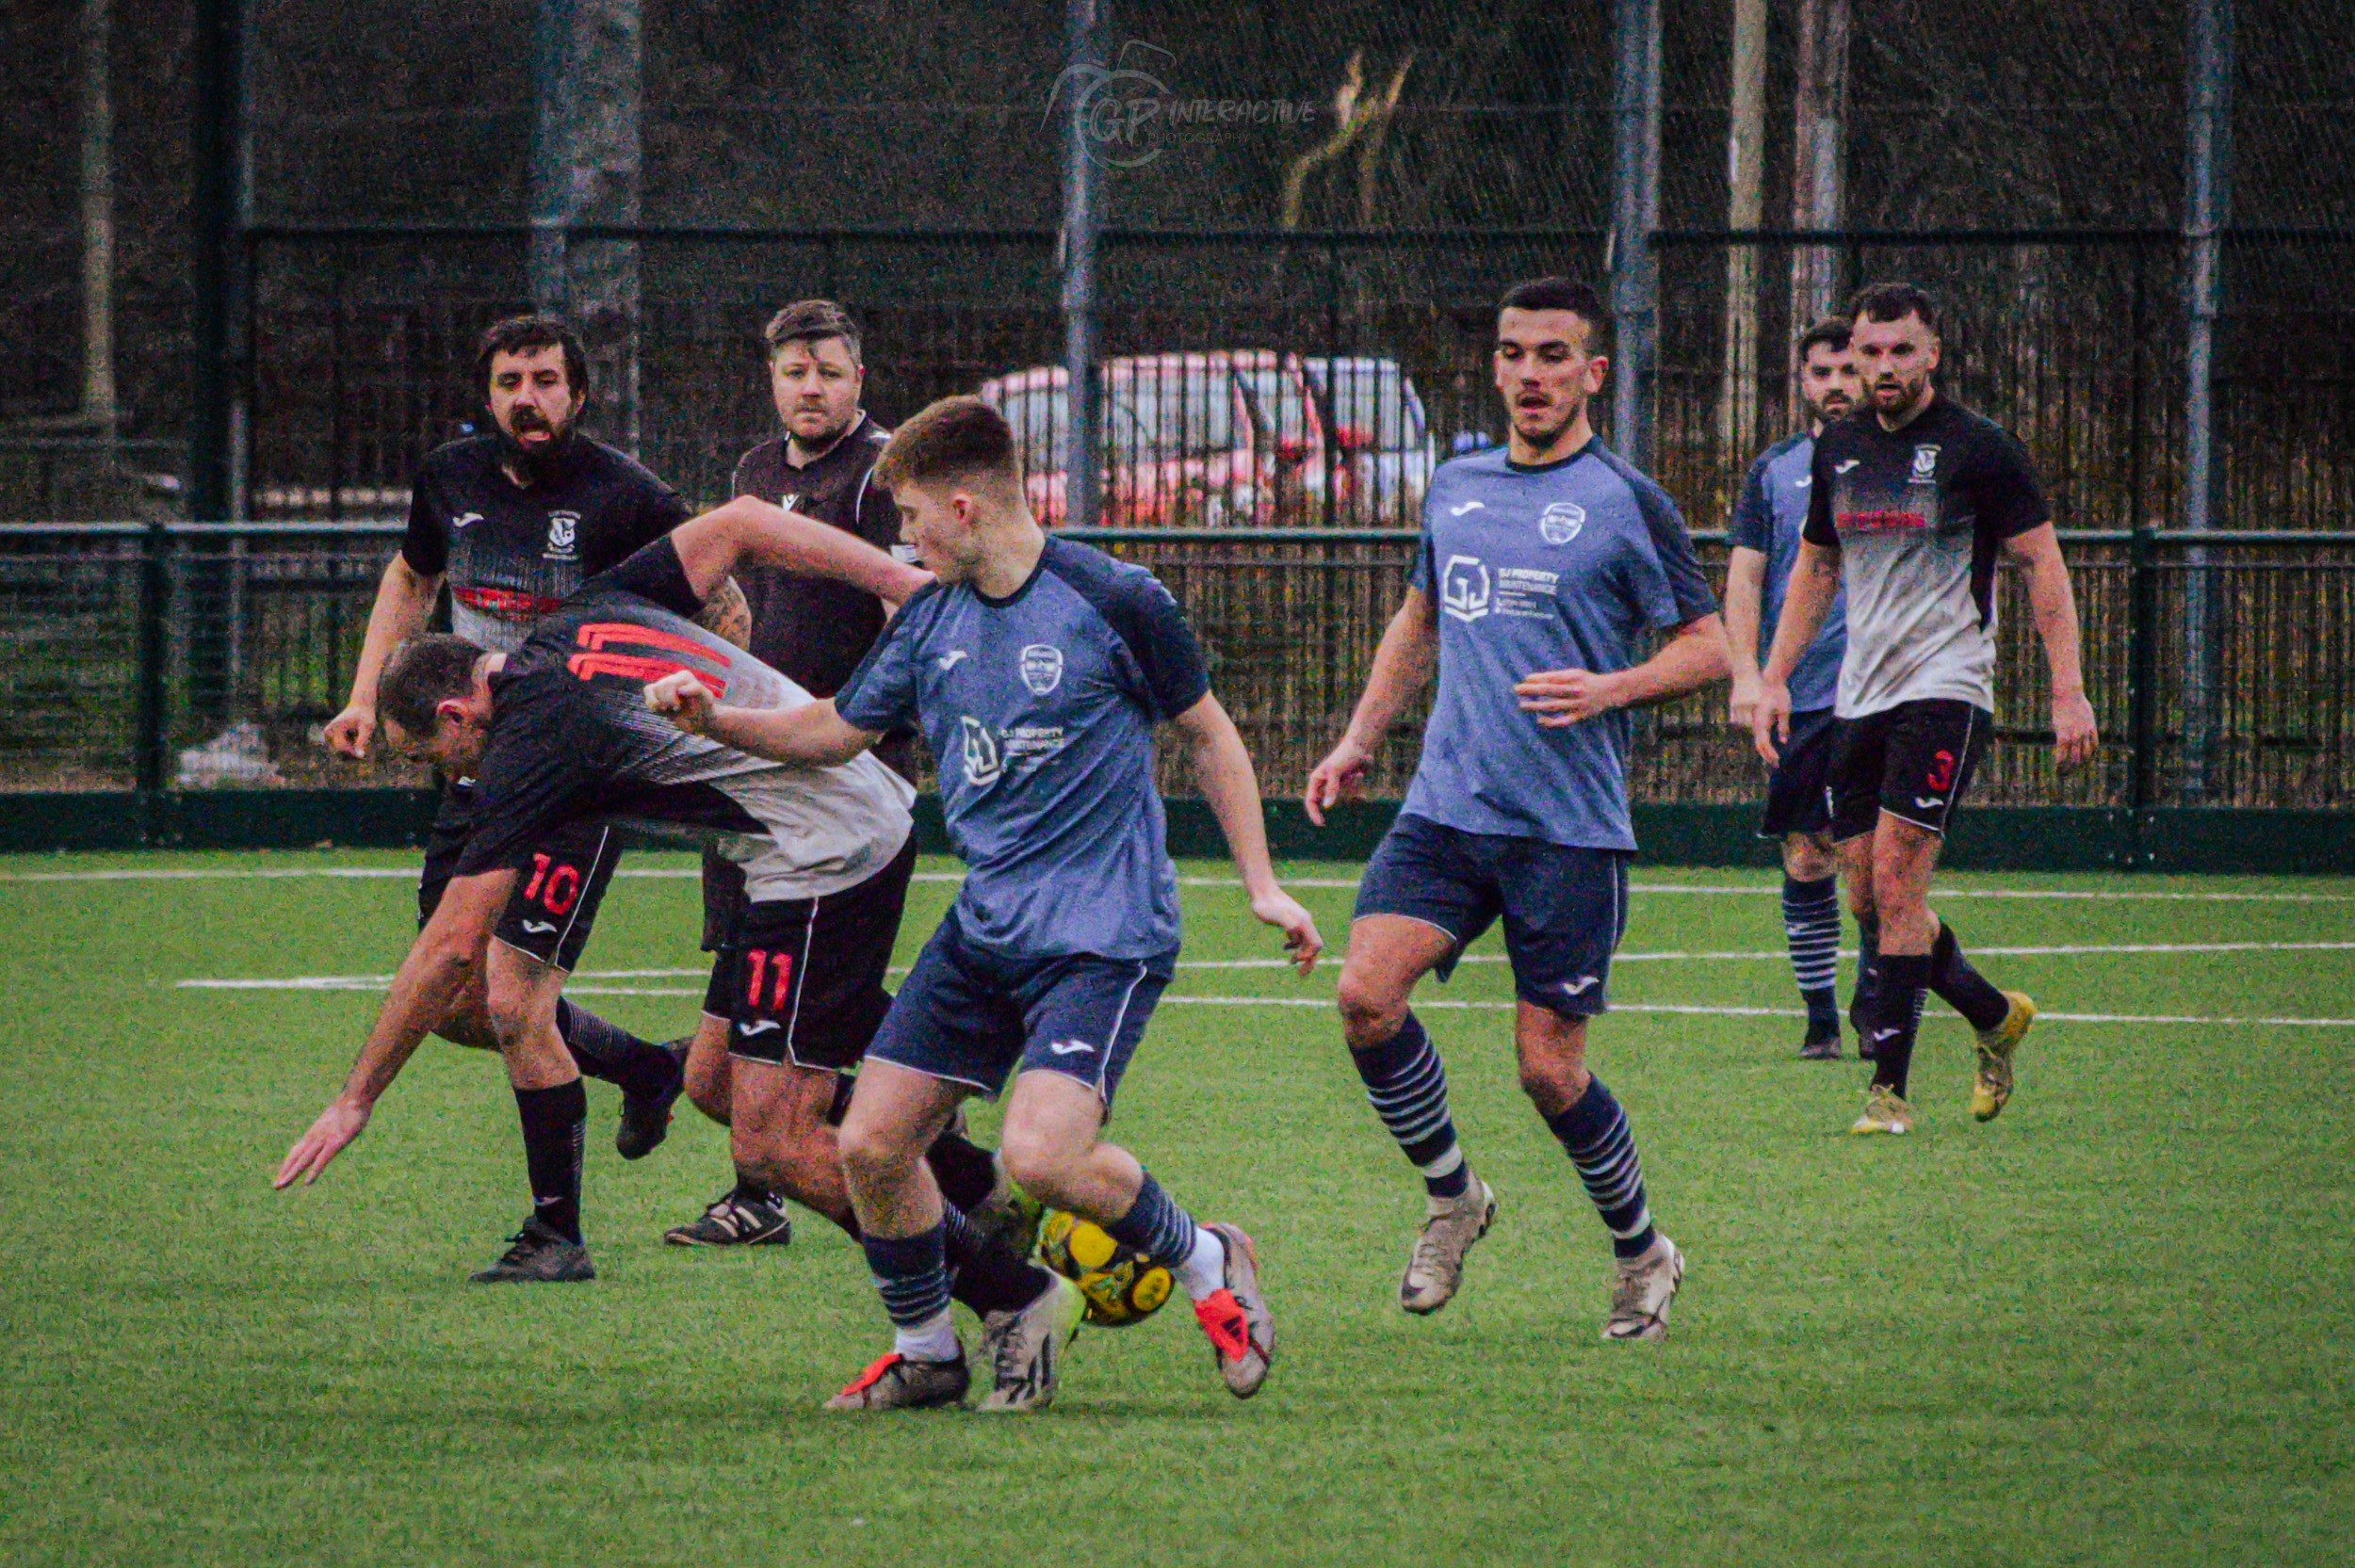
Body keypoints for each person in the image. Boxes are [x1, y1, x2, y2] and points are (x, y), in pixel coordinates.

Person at [272, 497, 1081, 1403]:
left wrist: (355, 1098)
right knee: (710, 1080)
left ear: (461, 713)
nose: (452, 777)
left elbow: (452, 948)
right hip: (791, 847)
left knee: (773, 1138)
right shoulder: (579, 614)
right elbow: (737, 520)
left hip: (826, 852)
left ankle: (1009, 1298)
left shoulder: (527, 744)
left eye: (438, 756)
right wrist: (898, 579)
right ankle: (975, 1188)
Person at [646, 396, 1326, 1412]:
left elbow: (1210, 734)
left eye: (911, 519)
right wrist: (718, 720)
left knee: (1041, 1156)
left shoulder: (1114, 600)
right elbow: (833, 731)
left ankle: (1208, 1263)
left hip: (1101, 936)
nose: (904, 541)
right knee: (870, 1145)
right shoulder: (930, 622)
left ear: (963, 510)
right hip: (985, 930)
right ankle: (928, 1351)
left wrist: (1262, 886)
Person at [1302, 277, 1728, 1339]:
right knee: (1364, 997)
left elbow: (1712, 646)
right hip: (1447, 809)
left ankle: (1642, 1251)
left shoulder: (1630, 502)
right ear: (1492, 367)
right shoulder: (1456, 484)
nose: (1529, 375)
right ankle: (1454, 1196)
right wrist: (1361, 736)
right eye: (1512, 354)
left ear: (1592, 373)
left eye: (1552, 356)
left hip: (1566, 829)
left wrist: (1609, 688)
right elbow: (1420, 616)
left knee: (1547, 1073)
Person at [320, 314, 731, 1158]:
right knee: (454, 1002)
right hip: (477, 763)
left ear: (578, 394)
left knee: (511, 1000)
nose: (528, 399)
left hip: (577, 771)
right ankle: (646, 1068)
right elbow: (411, 575)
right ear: (488, 396)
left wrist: (714, 725)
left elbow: (724, 608)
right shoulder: (449, 479)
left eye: (546, 381)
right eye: (510, 383)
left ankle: (556, 1233)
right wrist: (366, 695)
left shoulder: (626, 495)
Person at [1751, 281, 2098, 1136]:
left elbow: (2042, 565)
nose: (1884, 367)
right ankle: (1991, 1012)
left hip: (1946, 687)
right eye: (1870, 353)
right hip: (1858, 694)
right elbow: (1817, 569)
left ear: (1933, 354)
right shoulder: (1838, 448)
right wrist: (1773, 678)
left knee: (1903, 883)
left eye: (1902, 350)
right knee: (1865, 895)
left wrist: (2068, 687)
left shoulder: (1980, 449)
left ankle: (1888, 1092)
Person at [668, 299, 926, 1250]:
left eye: (827, 371)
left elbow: (913, 607)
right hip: (751, 761)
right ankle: (901, 1132)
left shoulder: (884, 472)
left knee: (802, 1008)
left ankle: (811, 1174)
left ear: (859, 377)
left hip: (841, 776)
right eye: (792, 373)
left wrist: (892, 716)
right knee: (721, 1062)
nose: (809, 388)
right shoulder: (753, 473)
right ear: (771, 380)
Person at [1725, 319, 1867, 1059]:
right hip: (1801, 699)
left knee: (1877, 862)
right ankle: (1821, 1017)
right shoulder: (1775, 472)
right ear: (1803, 382)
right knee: (1809, 856)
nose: (1837, 384)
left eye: (1849, 368)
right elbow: (1747, 574)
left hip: (1885, 695)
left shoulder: (1910, 463)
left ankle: (1878, 1008)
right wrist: (1750, 675)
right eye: (1822, 372)